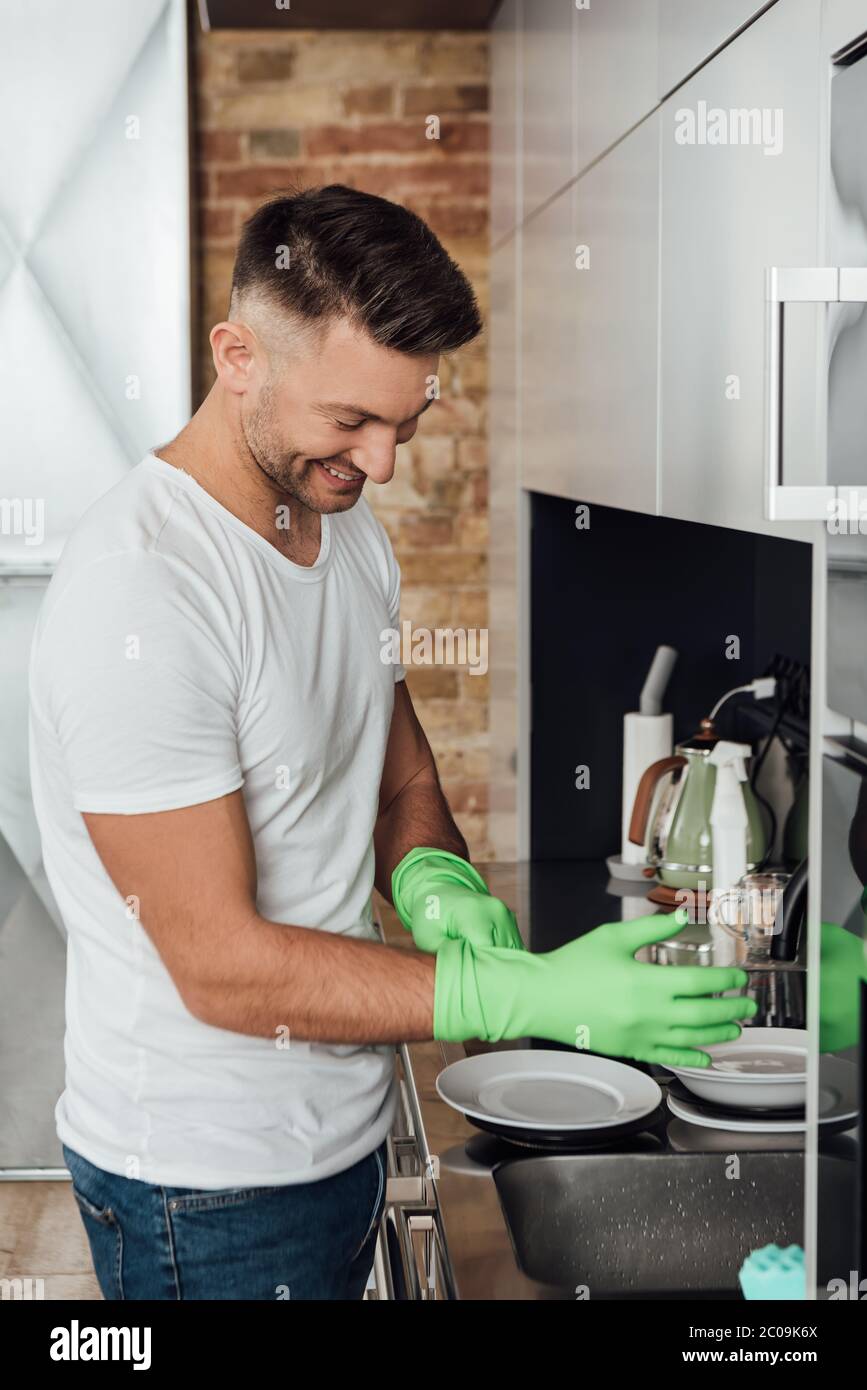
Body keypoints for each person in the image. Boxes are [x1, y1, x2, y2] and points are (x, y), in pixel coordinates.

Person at [29, 186, 754, 1301]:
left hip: (341, 1131)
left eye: (404, 424)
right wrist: (505, 994)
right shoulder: (146, 588)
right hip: (201, 1181)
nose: (381, 465)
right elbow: (220, 965)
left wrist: (436, 878)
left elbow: (393, 765)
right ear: (238, 355)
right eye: (348, 422)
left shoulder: (343, 532)